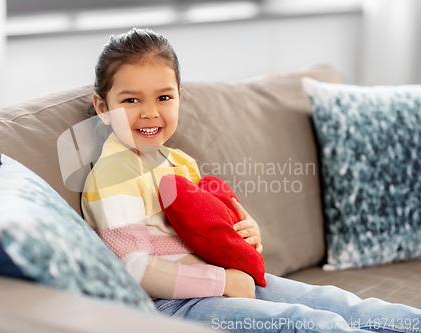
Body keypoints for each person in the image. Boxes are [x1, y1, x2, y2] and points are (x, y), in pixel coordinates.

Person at [81, 27, 421, 333]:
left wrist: (246, 233)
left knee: (342, 305)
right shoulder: (113, 175)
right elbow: (135, 268)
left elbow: (214, 224)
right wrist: (222, 281)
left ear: (180, 96)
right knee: (315, 325)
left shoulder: (180, 162)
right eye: (130, 100)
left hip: (230, 280)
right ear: (102, 106)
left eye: (164, 97)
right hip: (174, 307)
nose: (150, 112)